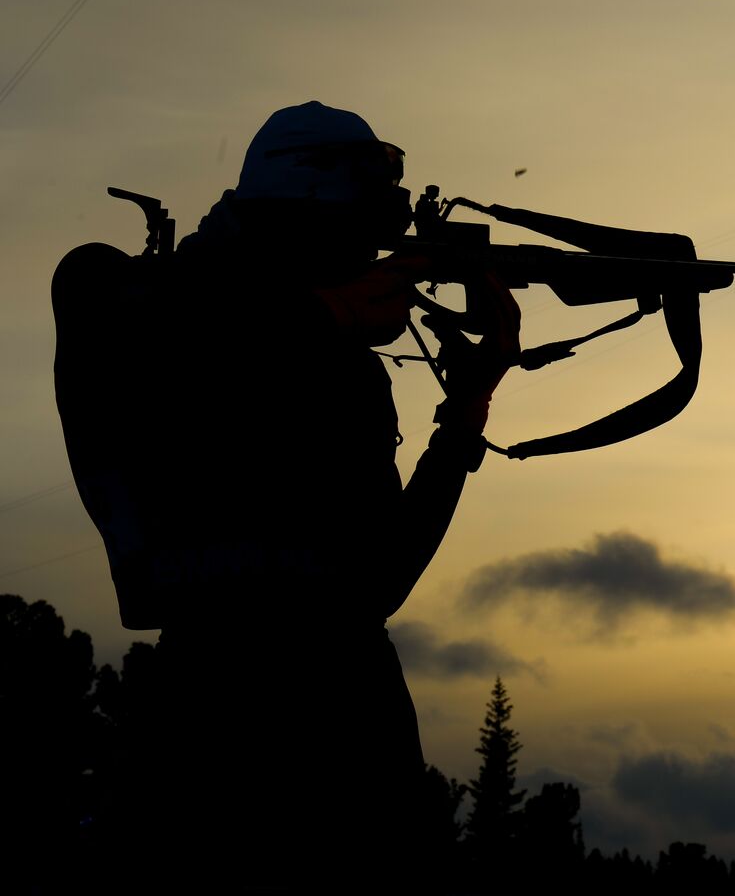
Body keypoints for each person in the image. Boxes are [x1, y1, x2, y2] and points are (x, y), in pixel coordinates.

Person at [52, 101, 520, 891]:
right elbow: (132, 329)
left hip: (348, 720)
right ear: (295, 222)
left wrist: (465, 414)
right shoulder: (149, 302)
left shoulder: (344, 370)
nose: (369, 261)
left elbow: (377, 582)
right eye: (354, 241)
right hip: (218, 724)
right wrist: (328, 312)